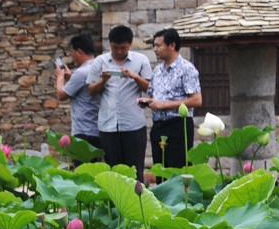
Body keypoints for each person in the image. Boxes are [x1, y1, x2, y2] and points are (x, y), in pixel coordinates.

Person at [87, 25, 152, 180]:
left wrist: (134, 76)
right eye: (115, 47)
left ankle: (138, 203)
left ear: (130, 44)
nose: (119, 51)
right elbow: (91, 91)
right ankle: (115, 204)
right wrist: (103, 80)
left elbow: (149, 88)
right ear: (110, 44)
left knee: (135, 172)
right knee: (113, 173)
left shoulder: (141, 60)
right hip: (108, 126)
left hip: (134, 125)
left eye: (123, 48)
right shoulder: (100, 61)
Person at [139, 28, 203, 170]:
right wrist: (148, 102)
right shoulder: (157, 70)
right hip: (158, 127)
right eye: (153, 46)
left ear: (172, 45)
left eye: (158, 45)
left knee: (178, 170)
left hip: (178, 126)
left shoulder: (187, 68)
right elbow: (154, 96)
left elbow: (197, 100)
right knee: (160, 170)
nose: (155, 49)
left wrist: (164, 105)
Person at [53, 33, 101, 149]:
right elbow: (86, 86)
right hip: (98, 130)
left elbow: (62, 95)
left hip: (84, 131)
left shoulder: (81, 72)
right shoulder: (99, 67)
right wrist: (71, 77)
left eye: (72, 52)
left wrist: (60, 76)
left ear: (79, 52)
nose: (72, 56)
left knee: (82, 166)